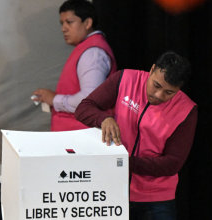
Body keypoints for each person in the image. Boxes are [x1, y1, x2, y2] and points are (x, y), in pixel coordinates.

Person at [75, 51, 197, 220]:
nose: (158, 95)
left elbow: (172, 164)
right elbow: (84, 108)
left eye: (169, 93)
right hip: (112, 189)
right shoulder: (125, 79)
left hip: (156, 199)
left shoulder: (187, 110)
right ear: (152, 69)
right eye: (156, 85)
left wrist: (123, 162)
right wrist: (104, 119)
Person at [32, 0, 116, 131]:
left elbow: (89, 99)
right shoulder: (87, 48)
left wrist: (55, 100)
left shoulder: (93, 53)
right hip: (76, 137)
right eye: (62, 23)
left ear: (87, 23)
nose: (63, 28)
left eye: (69, 22)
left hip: (81, 138)